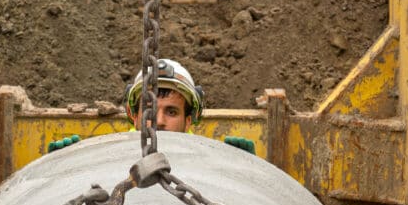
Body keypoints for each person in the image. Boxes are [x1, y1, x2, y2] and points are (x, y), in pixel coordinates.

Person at [46, 58, 254, 153]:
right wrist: (61, 168)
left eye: (171, 112)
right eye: (149, 111)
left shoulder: (210, 160)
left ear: (188, 120)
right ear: (132, 115)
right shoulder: (105, 157)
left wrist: (247, 173)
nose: (159, 122)